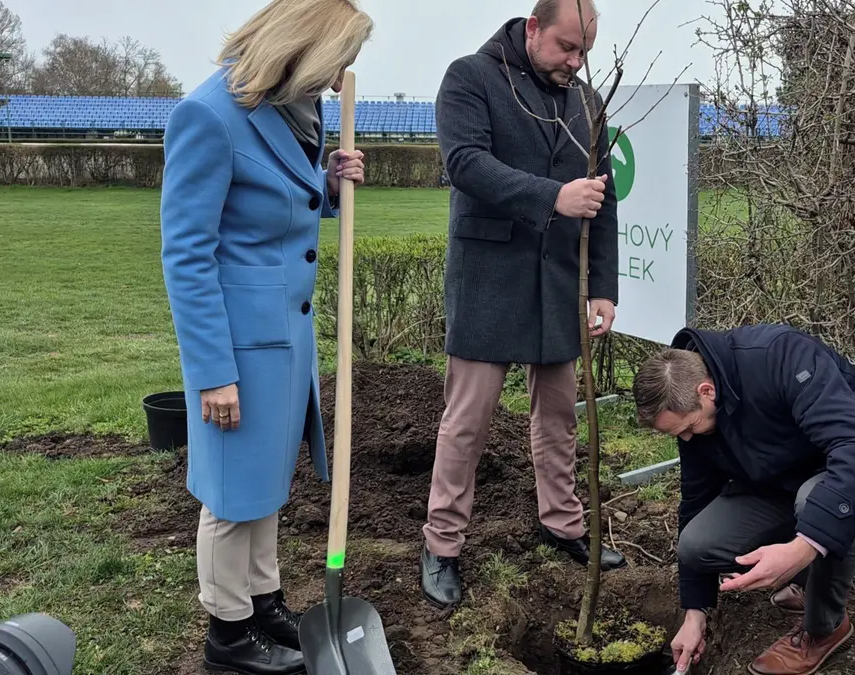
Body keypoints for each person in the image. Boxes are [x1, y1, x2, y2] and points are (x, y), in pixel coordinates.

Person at [159, 1, 372, 672]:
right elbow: (186, 254)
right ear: (305, 47)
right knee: (229, 493)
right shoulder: (210, 115)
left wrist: (329, 185)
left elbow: (281, 203)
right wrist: (213, 371)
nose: (343, 76)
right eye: (339, 59)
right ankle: (227, 634)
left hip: (287, 339)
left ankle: (261, 598)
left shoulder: (295, 109)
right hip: (238, 348)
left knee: (265, 481)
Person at [420, 0, 627, 608]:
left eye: (585, 52)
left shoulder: (587, 102)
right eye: (567, 47)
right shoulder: (470, 78)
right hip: (489, 279)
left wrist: (603, 285)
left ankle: (562, 525)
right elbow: (465, 164)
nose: (575, 61)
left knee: (559, 415)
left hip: (559, 285)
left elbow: (603, 200)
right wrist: (551, 196)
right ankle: (442, 543)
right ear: (533, 28)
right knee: (468, 422)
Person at [631, 324, 855, 675]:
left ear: (706, 391)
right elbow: (696, 500)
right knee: (697, 544)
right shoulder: (694, 414)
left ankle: (824, 628)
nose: (685, 439)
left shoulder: (781, 356)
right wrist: (694, 612)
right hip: (792, 478)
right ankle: (815, 570)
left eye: (687, 427)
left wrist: (803, 546)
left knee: (815, 503)